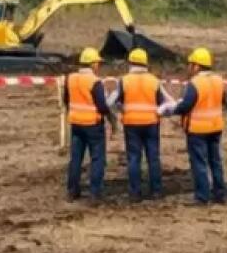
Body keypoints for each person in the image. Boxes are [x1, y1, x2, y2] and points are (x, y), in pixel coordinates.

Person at [161, 47, 227, 205]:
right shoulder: (218, 80)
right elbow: (223, 100)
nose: (188, 68)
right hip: (215, 127)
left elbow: (186, 105)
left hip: (198, 129)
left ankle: (202, 196)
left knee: (199, 163)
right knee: (215, 161)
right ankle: (220, 194)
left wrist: (171, 110)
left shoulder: (195, 83)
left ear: (197, 66)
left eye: (190, 65)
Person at [108, 48, 173, 201]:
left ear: (130, 63)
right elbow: (167, 102)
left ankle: (135, 192)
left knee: (133, 158)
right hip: (151, 123)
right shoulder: (154, 81)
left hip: (131, 124)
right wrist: (161, 112)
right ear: (146, 63)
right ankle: (156, 191)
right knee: (153, 158)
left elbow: (111, 102)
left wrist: (121, 109)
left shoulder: (124, 80)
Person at [63, 47, 116, 202]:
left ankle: (72, 191)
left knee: (76, 158)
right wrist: (111, 118)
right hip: (93, 124)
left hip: (76, 123)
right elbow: (101, 105)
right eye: (97, 63)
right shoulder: (94, 81)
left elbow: (66, 100)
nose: (98, 66)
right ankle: (95, 193)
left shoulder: (70, 78)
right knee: (98, 159)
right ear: (92, 64)